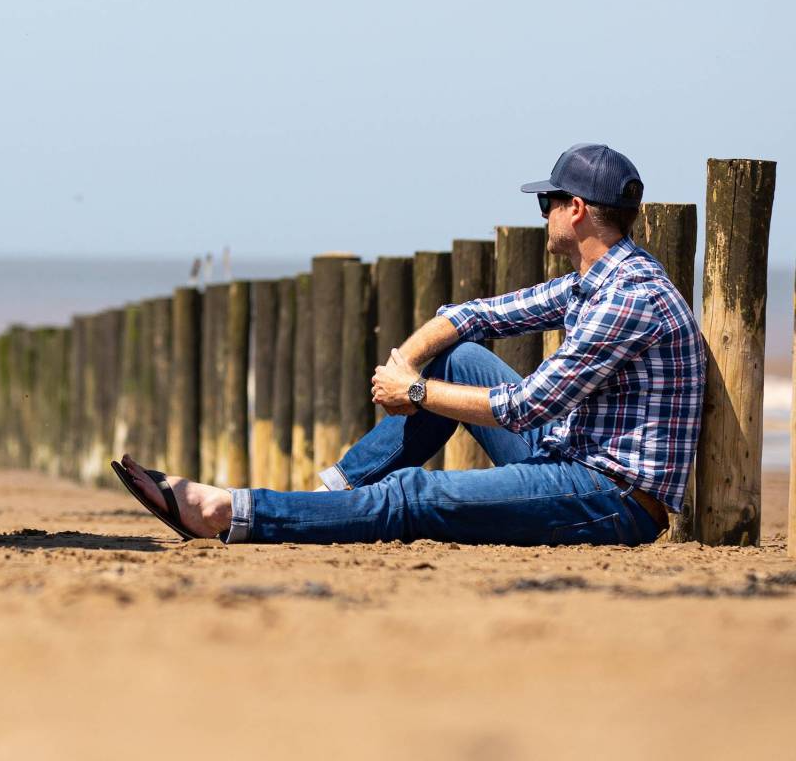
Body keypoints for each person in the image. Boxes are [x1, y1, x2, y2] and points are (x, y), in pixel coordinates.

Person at [115, 143, 703, 546]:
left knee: (414, 494)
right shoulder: (593, 281)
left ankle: (226, 512)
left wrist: (416, 392)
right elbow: (472, 316)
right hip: (570, 455)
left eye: (546, 202)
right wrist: (406, 366)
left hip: (610, 497)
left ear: (575, 210)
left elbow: (526, 407)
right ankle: (331, 495)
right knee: (458, 357)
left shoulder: (628, 298)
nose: (543, 213)